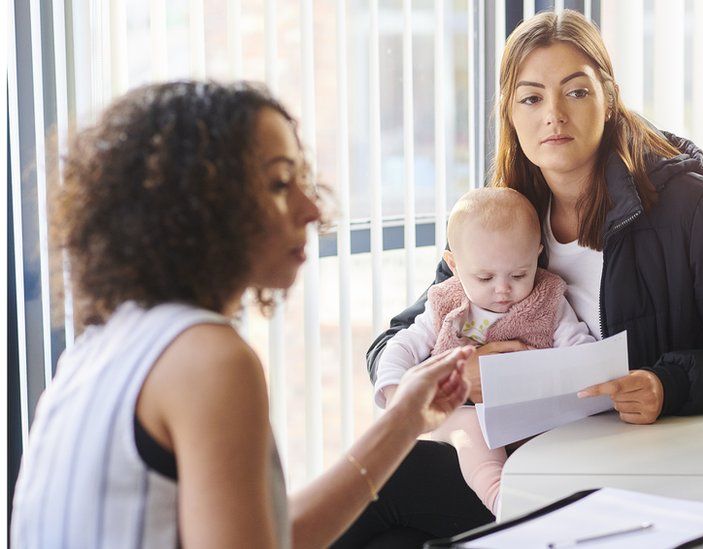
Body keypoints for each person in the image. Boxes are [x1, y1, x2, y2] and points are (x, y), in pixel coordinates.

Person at [353, 8, 703, 545]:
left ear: (609, 95)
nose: (553, 114)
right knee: (382, 494)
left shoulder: (695, 211)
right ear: (509, 113)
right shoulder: (502, 216)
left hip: (633, 474)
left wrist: (667, 385)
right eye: (531, 98)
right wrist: (459, 372)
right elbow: (399, 338)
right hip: (525, 463)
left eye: (576, 91)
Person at [10, 81, 476, 549]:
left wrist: (407, 419)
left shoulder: (102, 347)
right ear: (199, 208)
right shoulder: (209, 360)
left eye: (302, 180)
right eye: (278, 184)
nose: (312, 208)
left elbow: (262, 537)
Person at [374, 187, 594, 515]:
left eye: (519, 274)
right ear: (454, 264)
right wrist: (396, 393)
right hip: (463, 412)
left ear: (537, 254)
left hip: (532, 413)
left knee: (559, 441)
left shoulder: (548, 300)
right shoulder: (446, 302)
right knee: (471, 433)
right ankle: (500, 498)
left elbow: (579, 350)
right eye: (485, 277)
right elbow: (402, 344)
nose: (503, 289)